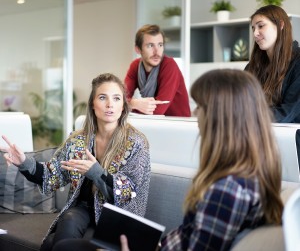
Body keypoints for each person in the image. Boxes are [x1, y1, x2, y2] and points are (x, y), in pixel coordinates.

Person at [51, 69, 284, 251]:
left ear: (221, 118)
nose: (195, 114)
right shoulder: (248, 178)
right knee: (63, 243)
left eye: (200, 106)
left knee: (64, 247)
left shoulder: (227, 190)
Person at [0, 73, 151, 251]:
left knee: (51, 244)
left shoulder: (136, 143)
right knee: (69, 219)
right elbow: (51, 175)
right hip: (83, 210)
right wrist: (24, 162)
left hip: (117, 217)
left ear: (123, 106)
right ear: (93, 105)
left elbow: (129, 192)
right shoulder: (78, 140)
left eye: (116, 98)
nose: (110, 104)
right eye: (103, 97)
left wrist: (96, 172)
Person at [245, 5, 300, 123]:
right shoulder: (252, 67)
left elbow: (288, 112)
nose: (255, 33)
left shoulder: (298, 62)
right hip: (256, 134)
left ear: (280, 25)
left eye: (261, 26)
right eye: (253, 28)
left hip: (290, 138)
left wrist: (247, 117)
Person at [124, 24, 191, 117]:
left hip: (178, 124)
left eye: (160, 45)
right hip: (153, 123)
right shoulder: (135, 66)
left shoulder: (169, 65)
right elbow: (120, 99)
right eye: (150, 45)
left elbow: (158, 110)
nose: (157, 52)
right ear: (138, 49)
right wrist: (134, 103)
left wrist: (131, 105)